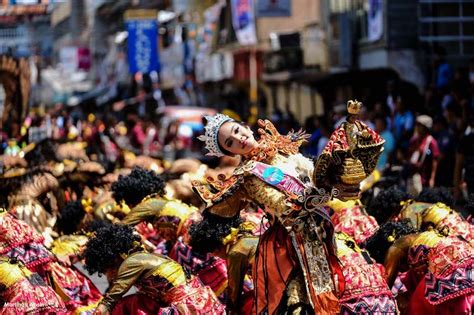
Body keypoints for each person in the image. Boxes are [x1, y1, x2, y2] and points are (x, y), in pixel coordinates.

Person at [193, 107, 384, 314]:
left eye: (237, 131)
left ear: (245, 127)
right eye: (230, 142)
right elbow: (280, 203)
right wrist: (320, 195)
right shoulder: (249, 175)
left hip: (321, 223)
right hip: (292, 238)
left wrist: (337, 180)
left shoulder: (281, 146)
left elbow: (311, 173)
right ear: (230, 152)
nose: (239, 139)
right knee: (300, 300)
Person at [83, 224, 224, 314]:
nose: (110, 276)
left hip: (189, 306)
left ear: (115, 257)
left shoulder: (131, 263)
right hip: (200, 300)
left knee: (126, 305)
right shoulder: (144, 256)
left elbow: (109, 301)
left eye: (108, 269)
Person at [366, 220, 473, 314]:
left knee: (416, 308)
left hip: (446, 266)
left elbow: (385, 288)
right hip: (466, 261)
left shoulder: (395, 248)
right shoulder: (420, 240)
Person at [189, 211, 259, 314]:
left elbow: (234, 292)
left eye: (215, 254)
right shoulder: (248, 238)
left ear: (217, 248)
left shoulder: (235, 253)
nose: (219, 257)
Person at [406, 115, 440, 194]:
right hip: (413, 178)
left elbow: (434, 162)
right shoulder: (413, 141)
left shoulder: (431, 142)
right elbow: (408, 156)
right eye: (416, 124)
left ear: (426, 127)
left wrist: (432, 179)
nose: (417, 127)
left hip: (425, 180)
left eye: (419, 125)